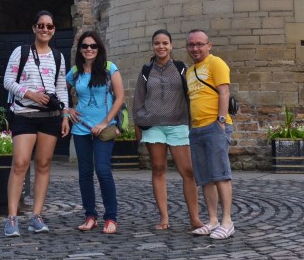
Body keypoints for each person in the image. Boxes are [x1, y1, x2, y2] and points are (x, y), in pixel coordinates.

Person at [1, 10, 70, 237]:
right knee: (20, 163)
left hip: (49, 118)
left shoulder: (58, 57)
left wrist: (65, 115)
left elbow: (61, 89)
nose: (45, 29)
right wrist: (29, 94)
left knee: (43, 165)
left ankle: (36, 216)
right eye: (41, 25)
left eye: (49, 26)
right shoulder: (20, 52)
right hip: (24, 115)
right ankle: (12, 217)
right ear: (34, 28)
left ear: (54, 30)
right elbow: (8, 81)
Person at [132, 29, 203, 231]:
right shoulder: (146, 70)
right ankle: (164, 218)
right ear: (153, 46)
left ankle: (194, 218)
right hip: (153, 126)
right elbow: (138, 99)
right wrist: (138, 123)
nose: (161, 47)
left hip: (178, 124)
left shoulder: (181, 68)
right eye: (157, 43)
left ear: (171, 45)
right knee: (158, 170)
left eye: (165, 43)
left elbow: (193, 95)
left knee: (188, 172)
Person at [65, 31, 125, 234]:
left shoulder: (109, 68)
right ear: (80, 49)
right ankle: (90, 215)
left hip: (104, 128)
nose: (89, 49)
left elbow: (120, 97)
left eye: (93, 46)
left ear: (99, 48)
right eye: (85, 46)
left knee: (102, 170)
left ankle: (111, 217)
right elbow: (60, 91)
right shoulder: (74, 72)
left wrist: (105, 121)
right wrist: (68, 110)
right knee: (84, 173)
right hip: (81, 127)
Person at [184, 28, 235, 240]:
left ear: (209, 45)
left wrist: (221, 122)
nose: (195, 48)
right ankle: (213, 220)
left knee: (221, 174)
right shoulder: (189, 71)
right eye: (191, 45)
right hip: (197, 129)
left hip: (215, 126)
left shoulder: (216, 63)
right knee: (205, 178)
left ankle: (227, 221)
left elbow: (224, 92)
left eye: (199, 44)